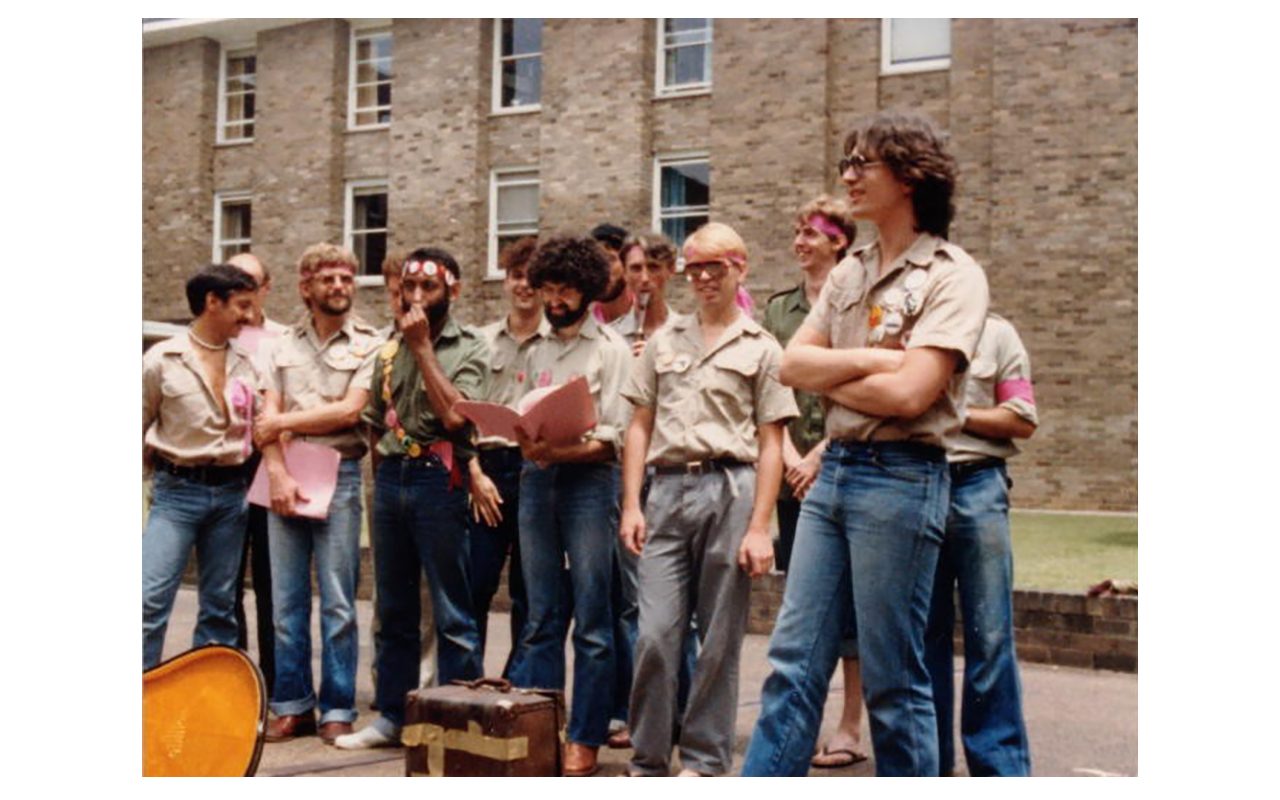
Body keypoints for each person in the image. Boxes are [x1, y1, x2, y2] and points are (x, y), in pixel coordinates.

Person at [742, 112, 990, 777]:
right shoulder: (849, 272)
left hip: (902, 477)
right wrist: (878, 360)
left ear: (909, 177)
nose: (848, 175)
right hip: (835, 478)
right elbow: (790, 366)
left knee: (893, 680)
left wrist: (837, 374)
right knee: (791, 664)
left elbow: (912, 396)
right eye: (845, 162)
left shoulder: (953, 275)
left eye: (862, 163)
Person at [620, 222, 796, 777]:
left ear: (739, 268)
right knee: (655, 634)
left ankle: (703, 759)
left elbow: (772, 442)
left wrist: (759, 526)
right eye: (693, 268)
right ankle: (648, 758)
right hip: (667, 490)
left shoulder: (762, 347)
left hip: (731, 488)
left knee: (719, 637)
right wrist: (631, 504)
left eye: (714, 267)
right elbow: (638, 425)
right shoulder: (664, 341)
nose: (702, 278)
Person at [336, 248, 489, 749]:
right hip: (393, 479)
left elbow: (456, 417)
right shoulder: (388, 348)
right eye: (410, 287)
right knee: (394, 607)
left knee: (452, 611)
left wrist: (422, 347)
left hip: (440, 479)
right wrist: (382, 483)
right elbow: (376, 423)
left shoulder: (470, 345)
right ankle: (392, 716)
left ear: (453, 291)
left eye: (429, 287)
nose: (417, 296)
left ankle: (459, 721)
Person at [508, 235, 632, 776]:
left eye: (566, 290)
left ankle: (585, 736)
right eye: (548, 289)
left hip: (590, 484)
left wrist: (559, 450)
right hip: (537, 480)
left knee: (592, 617)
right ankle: (543, 731)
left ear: (587, 290)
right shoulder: (534, 348)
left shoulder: (610, 349)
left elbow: (616, 438)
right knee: (540, 616)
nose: (555, 300)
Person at [253, 244, 380, 744]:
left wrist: (281, 421)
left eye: (346, 278)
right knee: (285, 603)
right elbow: (263, 420)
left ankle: (337, 706)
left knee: (338, 602)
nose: (339, 287)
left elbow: (350, 411)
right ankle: (292, 706)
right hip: (284, 472)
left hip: (338, 474)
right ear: (306, 287)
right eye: (328, 279)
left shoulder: (370, 344)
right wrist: (276, 472)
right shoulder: (279, 346)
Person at [761, 196, 869, 769]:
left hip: (845, 463)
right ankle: (797, 728)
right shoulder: (779, 311)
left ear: (839, 241)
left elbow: (862, 385)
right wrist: (790, 457)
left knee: (850, 609)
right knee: (802, 612)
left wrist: (819, 455)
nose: (800, 241)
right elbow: (766, 389)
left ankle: (850, 725)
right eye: (797, 231)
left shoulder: (862, 302)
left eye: (812, 233)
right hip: (791, 478)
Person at [924, 313, 1038, 776]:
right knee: (920, 637)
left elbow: (1021, 418)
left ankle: (999, 769)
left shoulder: (998, 334)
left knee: (989, 634)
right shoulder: (907, 334)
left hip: (978, 485)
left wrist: (956, 414)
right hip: (915, 483)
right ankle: (926, 765)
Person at [143, 264, 261, 669]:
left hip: (231, 497)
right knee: (148, 601)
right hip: (176, 495)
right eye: (242, 306)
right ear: (213, 302)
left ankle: (204, 697)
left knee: (219, 607)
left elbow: (262, 421)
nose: (250, 316)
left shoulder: (249, 360)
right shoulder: (161, 359)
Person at [467, 237, 558, 676]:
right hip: (488, 471)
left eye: (532, 279)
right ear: (506, 282)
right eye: (517, 276)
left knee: (530, 589)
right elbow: (462, 416)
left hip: (536, 468)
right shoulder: (481, 341)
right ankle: (466, 684)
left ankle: (515, 687)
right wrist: (473, 475)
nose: (524, 286)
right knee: (475, 583)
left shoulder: (557, 342)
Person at [226, 252, 286, 697]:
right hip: (225, 466)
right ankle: (232, 682)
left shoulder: (283, 339)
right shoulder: (216, 336)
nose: (240, 289)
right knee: (225, 583)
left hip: (270, 464)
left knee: (271, 580)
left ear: (266, 288)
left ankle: (274, 684)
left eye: (249, 281)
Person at [590, 222, 634, 325]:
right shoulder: (582, 321)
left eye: (610, 259)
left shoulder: (646, 318)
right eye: (595, 261)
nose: (602, 269)